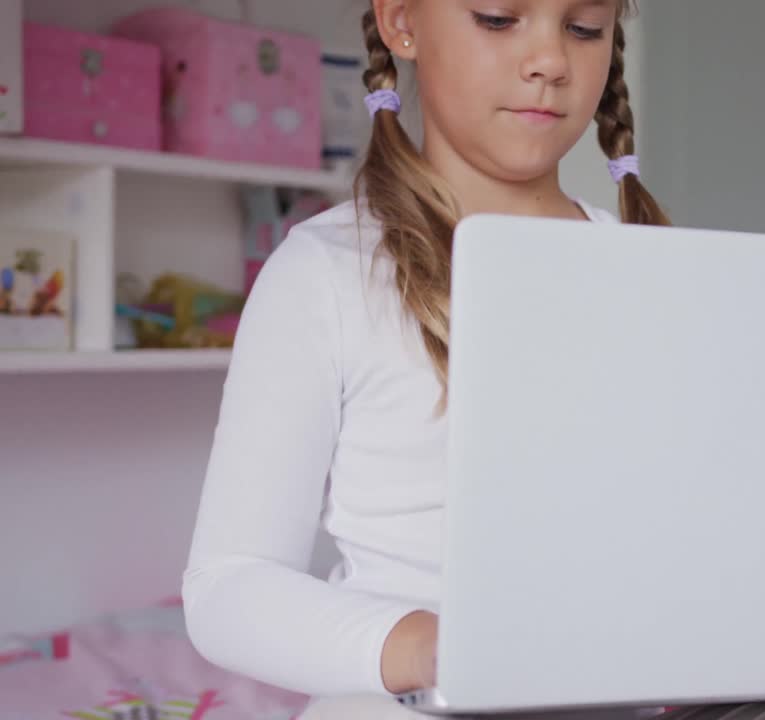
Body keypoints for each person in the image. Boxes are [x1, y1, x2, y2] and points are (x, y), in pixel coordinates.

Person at [181, 0, 670, 701]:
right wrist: (434, 650)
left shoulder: (654, 270)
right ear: (402, 21)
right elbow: (227, 588)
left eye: (584, 27)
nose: (552, 61)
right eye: (499, 18)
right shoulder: (327, 271)